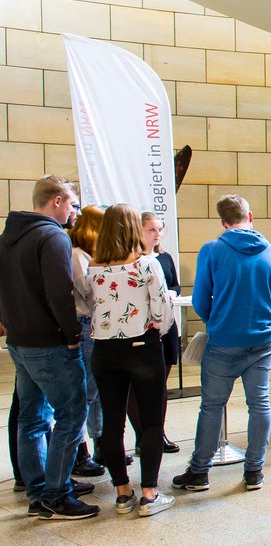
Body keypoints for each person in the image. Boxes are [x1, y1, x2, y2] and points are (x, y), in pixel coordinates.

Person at [0, 176, 99, 520]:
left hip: (20, 341)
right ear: (56, 201)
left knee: (31, 418)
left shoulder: (9, 236)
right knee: (71, 415)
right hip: (50, 344)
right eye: (72, 204)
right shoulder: (52, 236)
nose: (75, 212)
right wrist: (71, 334)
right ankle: (57, 494)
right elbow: (60, 293)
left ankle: (39, 488)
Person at [173, 195, 271, 493]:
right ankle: (254, 471)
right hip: (263, 338)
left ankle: (200, 471)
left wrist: (217, 320)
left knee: (212, 406)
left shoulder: (212, 250)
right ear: (251, 215)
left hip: (223, 340)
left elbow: (200, 300)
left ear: (223, 222)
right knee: (259, 404)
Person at [79, 204, 175, 517]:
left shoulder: (93, 266)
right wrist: (157, 330)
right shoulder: (146, 264)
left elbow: (93, 304)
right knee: (151, 422)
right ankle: (149, 493)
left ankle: (122, 492)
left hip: (105, 350)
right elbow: (161, 309)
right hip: (141, 346)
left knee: (112, 423)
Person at [135, 212, 181, 456]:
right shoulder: (134, 260)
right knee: (142, 386)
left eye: (160, 229)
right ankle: (142, 435)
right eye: (151, 229)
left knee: (161, 384)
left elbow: (175, 284)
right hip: (143, 326)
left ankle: (158, 432)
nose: (157, 234)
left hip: (167, 324)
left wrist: (172, 293)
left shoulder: (164, 257)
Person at [68, 205, 106, 477]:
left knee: (97, 391)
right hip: (84, 324)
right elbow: (89, 291)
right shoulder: (77, 256)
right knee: (85, 392)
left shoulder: (88, 256)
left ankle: (100, 443)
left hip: (94, 325)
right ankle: (79, 452)